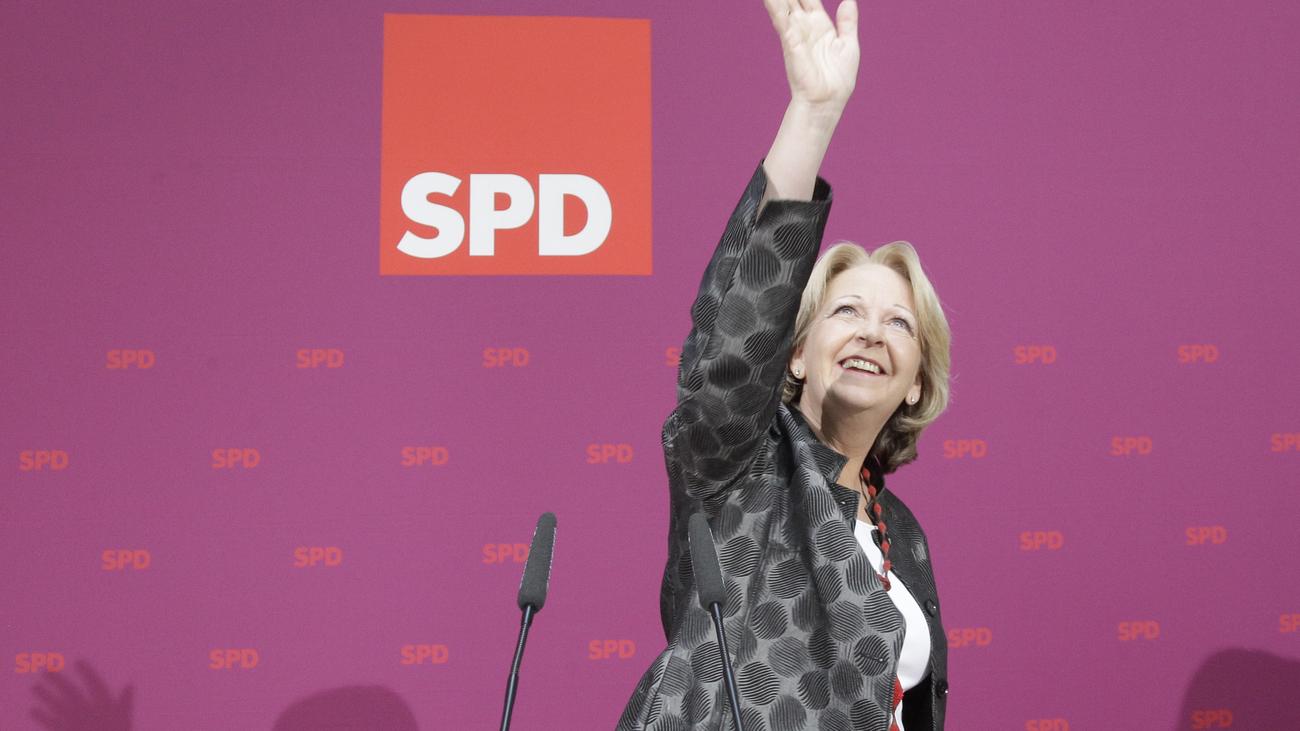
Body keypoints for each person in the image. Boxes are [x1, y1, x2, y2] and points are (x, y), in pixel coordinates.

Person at [617, 1, 952, 729]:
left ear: (918, 380)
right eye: (847, 311)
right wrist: (814, 114)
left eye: (899, 322)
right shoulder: (744, 464)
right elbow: (735, 340)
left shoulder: (902, 532)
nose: (872, 333)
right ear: (795, 350)